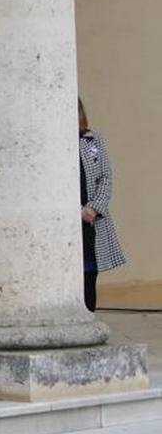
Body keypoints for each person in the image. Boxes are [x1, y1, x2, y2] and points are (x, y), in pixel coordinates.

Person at [79, 99, 125, 311]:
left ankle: (89, 316)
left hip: (90, 221)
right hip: (66, 218)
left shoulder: (92, 141)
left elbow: (105, 176)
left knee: (89, 274)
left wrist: (94, 207)